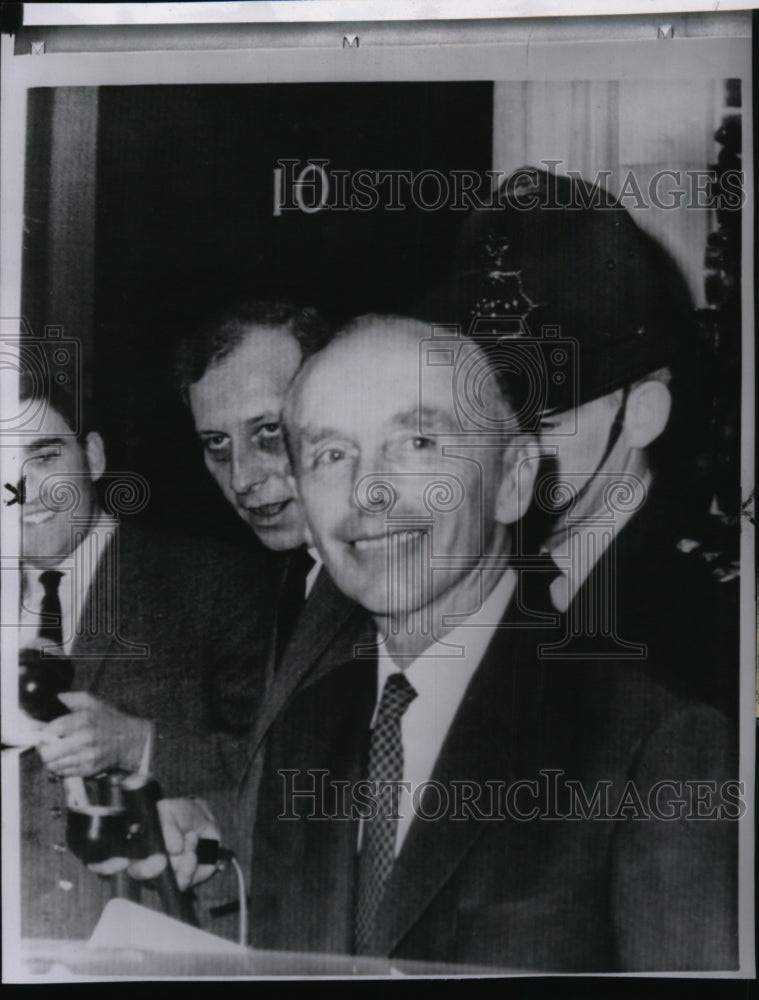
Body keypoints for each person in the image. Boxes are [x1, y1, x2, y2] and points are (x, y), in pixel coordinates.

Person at [156, 310, 737, 971]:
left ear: (513, 478)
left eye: (416, 444)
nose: (367, 491)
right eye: (330, 455)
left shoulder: (653, 744)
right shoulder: (307, 733)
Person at [14, 373, 273, 939]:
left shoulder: (213, 581)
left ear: (94, 456)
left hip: (162, 933)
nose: (22, 491)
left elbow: (280, 771)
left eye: (42, 458)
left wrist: (139, 744)